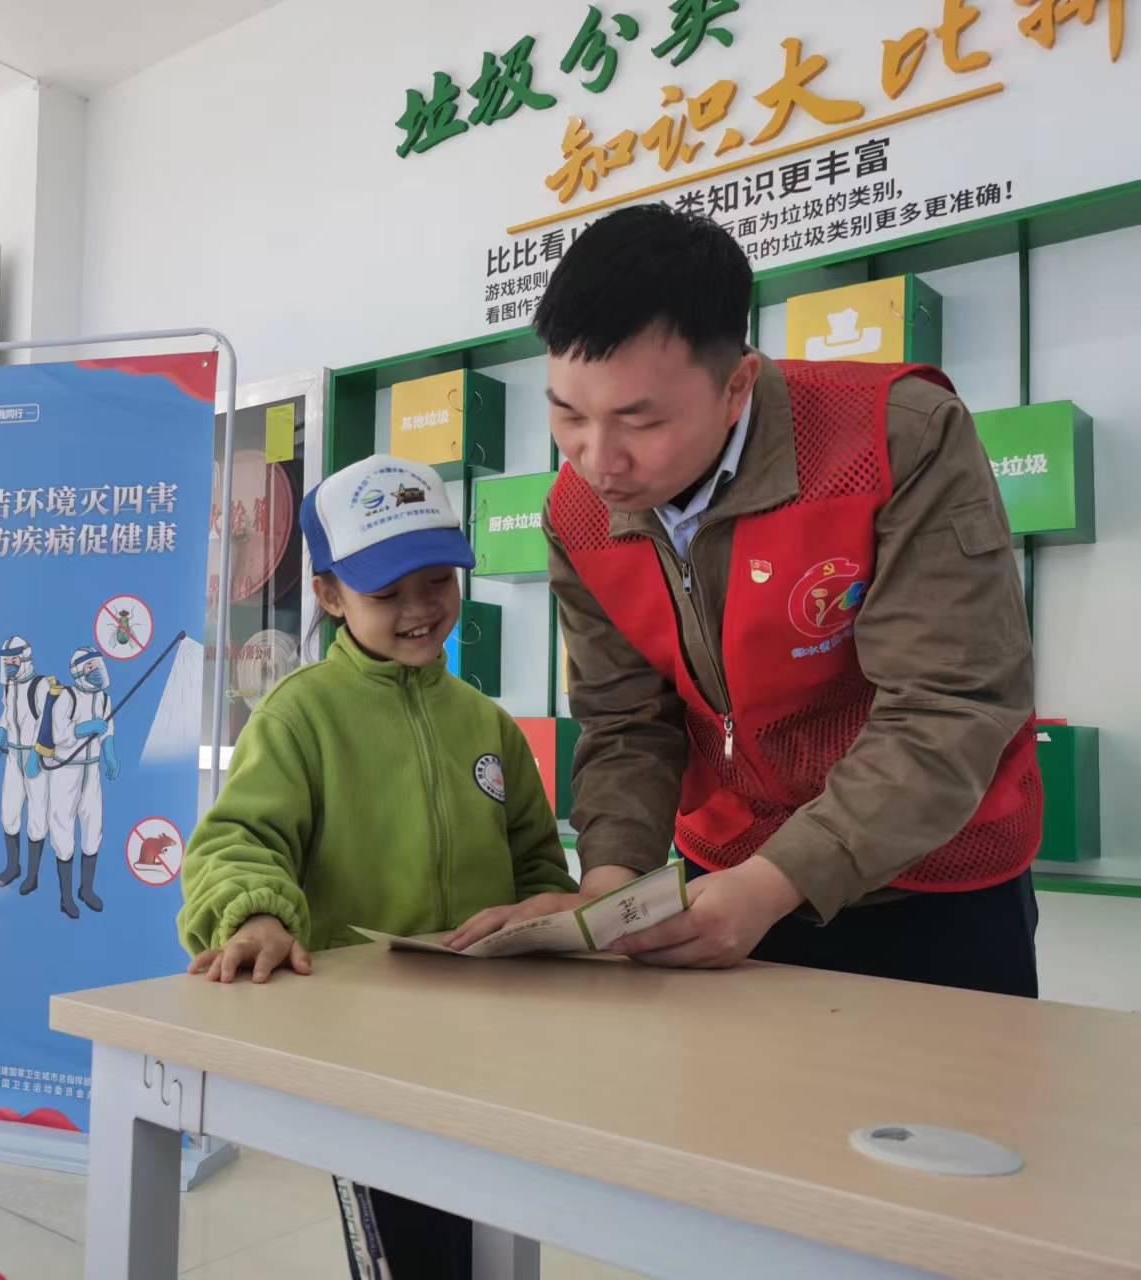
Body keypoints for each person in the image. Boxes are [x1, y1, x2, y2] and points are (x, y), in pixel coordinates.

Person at [450, 204, 1040, 997]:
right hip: (721, 877)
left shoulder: (899, 438)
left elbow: (949, 702)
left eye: (640, 421)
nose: (598, 459)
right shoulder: (577, 510)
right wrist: (610, 887)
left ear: (736, 386)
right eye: (568, 414)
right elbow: (626, 721)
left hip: (930, 877)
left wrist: (779, 880)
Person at [180, 453, 577, 1279]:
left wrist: (550, 911)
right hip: (360, 1050)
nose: (420, 609)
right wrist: (257, 912)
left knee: (492, 1229)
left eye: (436, 582)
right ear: (329, 595)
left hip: (489, 1039)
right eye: (387, 593)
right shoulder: (298, 717)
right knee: (406, 1246)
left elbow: (538, 862)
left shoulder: (489, 725)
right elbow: (237, 840)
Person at [29, 647, 117, 920]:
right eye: (89, 667)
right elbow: (59, 734)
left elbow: (108, 731)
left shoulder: (104, 698)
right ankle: (66, 897)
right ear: (79, 671)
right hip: (66, 772)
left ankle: (86, 889)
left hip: (92, 771)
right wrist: (86, 727)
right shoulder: (67, 697)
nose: (95, 670)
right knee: (63, 831)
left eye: (96, 664)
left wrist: (110, 755)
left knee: (93, 828)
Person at [0, 635, 53, 893]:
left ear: (24, 658)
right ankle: (13, 866)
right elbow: (6, 715)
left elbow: (47, 723)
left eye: (14, 660)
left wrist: (37, 755)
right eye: (7, 661)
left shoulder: (41, 685)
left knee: (37, 816)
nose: (10, 665)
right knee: (9, 812)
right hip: (13, 756)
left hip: (36, 758)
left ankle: (32, 875)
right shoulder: (9, 687)